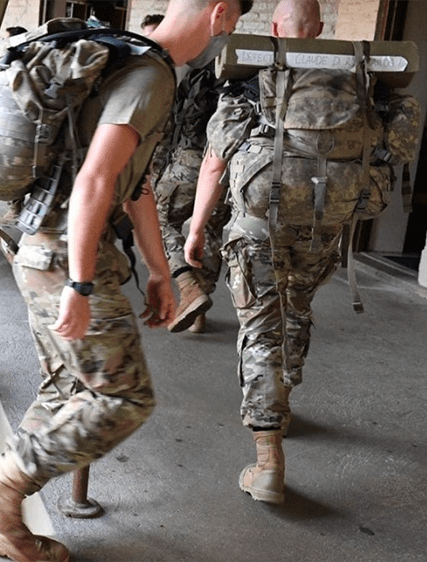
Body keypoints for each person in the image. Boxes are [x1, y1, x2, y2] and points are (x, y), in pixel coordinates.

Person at [0, 2, 251, 561]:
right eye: (233, 22)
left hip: (41, 244)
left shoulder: (125, 55)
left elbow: (132, 185)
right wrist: (81, 283)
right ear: (219, 14)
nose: (229, 34)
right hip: (66, 255)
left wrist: (161, 272)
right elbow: (96, 179)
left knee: (67, 389)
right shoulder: (153, 74)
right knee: (123, 397)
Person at [184, 0, 342, 505]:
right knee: (296, 310)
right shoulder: (353, 82)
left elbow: (214, 164)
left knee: (260, 328)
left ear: (274, 28)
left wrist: (195, 229)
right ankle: (284, 402)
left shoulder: (250, 81)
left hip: (257, 228)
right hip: (322, 227)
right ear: (318, 30)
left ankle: (268, 455)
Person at [151, 54, 231, 334]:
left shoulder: (189, 73)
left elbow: (169, 129)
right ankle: (198, 314)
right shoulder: (237, 79)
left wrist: (156, 172)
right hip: (226, 167)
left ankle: (188, 286)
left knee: (157, 220)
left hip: (189, 160)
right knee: (210, 229)